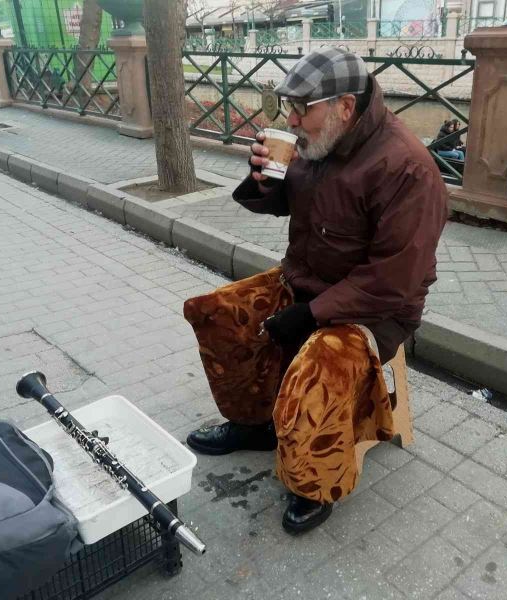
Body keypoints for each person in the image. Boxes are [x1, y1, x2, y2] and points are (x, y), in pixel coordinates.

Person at [183, 47, 448, 535]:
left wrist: (312, 314)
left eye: (302, 108)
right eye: (289, 107)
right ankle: (256, 423)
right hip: (304, 283)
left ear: (345, 106)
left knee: (317, 370)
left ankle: (313, 484)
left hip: (376, 310)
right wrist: (261, 178)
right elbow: (281, 201)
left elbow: (395, 280)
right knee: (216, 313)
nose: (292, 119)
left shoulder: (407, 169)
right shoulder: (316, 143)